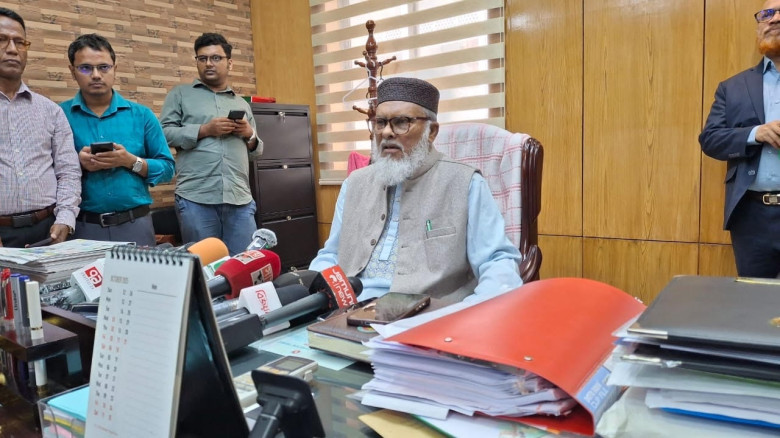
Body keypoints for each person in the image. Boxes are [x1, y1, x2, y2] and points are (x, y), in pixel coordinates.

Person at [309, 77, 523, 306]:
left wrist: (467, 313)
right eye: (380, 122)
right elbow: (330, 255)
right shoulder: (354, 184)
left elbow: (497, 261)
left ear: (431, 131)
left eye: (401, 122)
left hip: (428, 315)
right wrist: (314, 293)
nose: (386, 132)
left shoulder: (465, 183)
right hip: (347, 311)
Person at [61, 34, 174, 247]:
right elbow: (45, 172)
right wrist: (78, 164)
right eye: (85, 68)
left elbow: (167, 169)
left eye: (104, 67)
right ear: (72, 71)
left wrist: (130, 161)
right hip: (82, 227)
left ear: (115, 68)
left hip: (135, 224)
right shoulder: (59, 115)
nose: (96, 75)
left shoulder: (142, 115)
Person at [160, 33, 262, 256]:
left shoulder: (240, 103)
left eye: (215, 58)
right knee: (204, 268)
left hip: (239, 198)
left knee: (244, 264)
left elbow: (256, 152)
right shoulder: (180, 95)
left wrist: (249, 134)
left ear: (229, 63)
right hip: (196, 198)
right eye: (202, 58)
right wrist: (205, 130)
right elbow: (164, 134)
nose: (208, 63)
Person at [700, 1, 780, 278]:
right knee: (753, 298)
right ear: (759, 27)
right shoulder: (732, 87)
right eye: (767, 14)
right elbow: (710, 139)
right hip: (751, 218)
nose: (774, 19)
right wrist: (754, 134)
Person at [0, 7, 81, 248]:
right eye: (1, 39)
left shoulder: (50, 110)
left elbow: (68, 170)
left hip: (49, 231)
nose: (12, 49)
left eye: (20, 42)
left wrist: (65, 218)